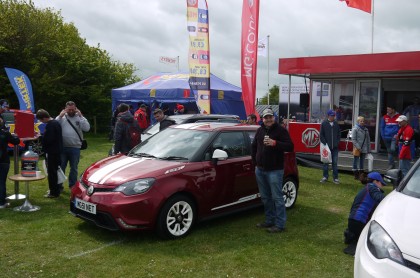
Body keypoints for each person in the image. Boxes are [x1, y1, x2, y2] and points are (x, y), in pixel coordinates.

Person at [251, 108, 294, 233]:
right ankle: (269, 220)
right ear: (262, 119)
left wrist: (275, 143)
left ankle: (280, 224)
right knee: (265, 197)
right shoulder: (260, 130)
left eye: (270, 117)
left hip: (275, 170)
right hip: (260, 170)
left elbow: (290, 146)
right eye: (266, 117)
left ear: (274, 117)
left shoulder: (281, 131)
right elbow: (254, 147)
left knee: (277, 198)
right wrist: (255, 162)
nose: (268, 119)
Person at [343, 172, 386, 256]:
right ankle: (354, 242)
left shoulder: (366, 188)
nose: (383, 186)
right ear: (375, 181)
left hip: (353, 221)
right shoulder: (372, 187)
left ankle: (351, 235)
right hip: (359, 222)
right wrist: (390, 200)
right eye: (382, 183)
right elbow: (380, 198)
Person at [55, 101, 90, 189]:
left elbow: (87, 128)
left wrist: (81, 116)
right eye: (69, 109)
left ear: (76, 109)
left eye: (73, 109)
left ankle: (73, 185)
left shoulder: (79, 117)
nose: (71, 111)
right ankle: (59, 186)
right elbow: (54, 125)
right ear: (65, 109)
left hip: (75, 147)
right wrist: (60, 116)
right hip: (62, 147)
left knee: (74, 168)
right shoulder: (61, 117)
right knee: (61, 168)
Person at [36, 109, 63, 198]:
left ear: (44, 118)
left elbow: (49, 139)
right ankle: (56, 189)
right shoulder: (56, 123)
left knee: (52, 172)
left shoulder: (51, 125)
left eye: (41, 120)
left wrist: (41, 137)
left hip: (52, 152)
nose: (41, 122)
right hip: (57, 151)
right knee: (55, 171)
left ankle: (53, 192)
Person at [0, 118, 20, 208]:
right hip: (3, 160)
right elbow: (16, 141)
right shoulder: (5, 133)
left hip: (3, 160)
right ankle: (1, 203)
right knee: (1, 182)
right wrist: (15, 136)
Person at [320, 109, 341, 184]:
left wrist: (337, 142)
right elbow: (321, 135)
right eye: (332, 116)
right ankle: (325, 177)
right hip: (327, 147)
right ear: (328, 116)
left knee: (334, 163)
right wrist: (325, 144)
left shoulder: (336, 124)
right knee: (325, 162)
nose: (333, 117)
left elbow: (339, 134)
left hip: (335, 147)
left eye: (334, 116)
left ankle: (335, 178)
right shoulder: (324, 123)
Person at [380, 105, 400, 170]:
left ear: (393, 110)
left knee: (392, 149)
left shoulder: (398, 117)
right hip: (386, 137)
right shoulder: (384, 117)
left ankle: (397, 156)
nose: (387, 111)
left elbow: (401, 127)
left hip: (394, 137)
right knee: (389, 152)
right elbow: (382, 127)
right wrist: (383, 136)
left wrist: (397, 134)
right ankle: (391, 165)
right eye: (387, 109)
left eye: (389, 109)